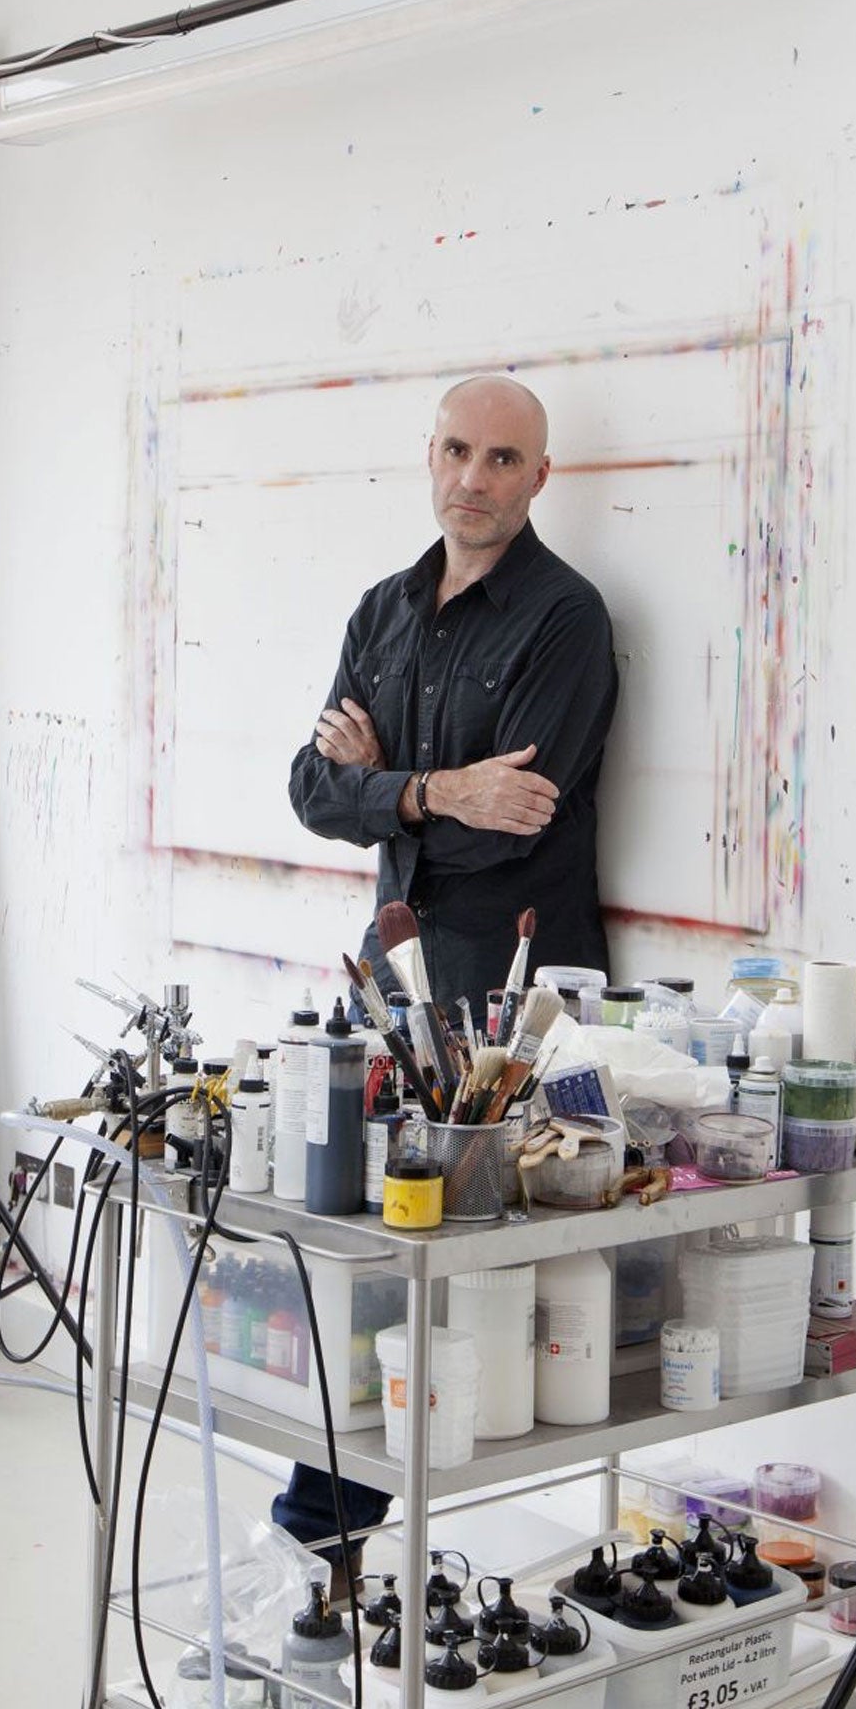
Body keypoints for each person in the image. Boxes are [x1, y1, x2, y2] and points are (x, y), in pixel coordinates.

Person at [276, 373, 620, 1576]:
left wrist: (394, 790)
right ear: (428, 456)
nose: (473, 480)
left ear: (538, 477)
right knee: (371, 1245)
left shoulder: (565, 619)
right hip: (396, 967)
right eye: (457, 451)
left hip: (513, 985)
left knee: (472, 1273)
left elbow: (509, 828)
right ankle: (333, 1545)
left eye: (502, 460)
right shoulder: (382, 610)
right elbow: (310, 789)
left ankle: (411, 1552)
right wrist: (435, 786)